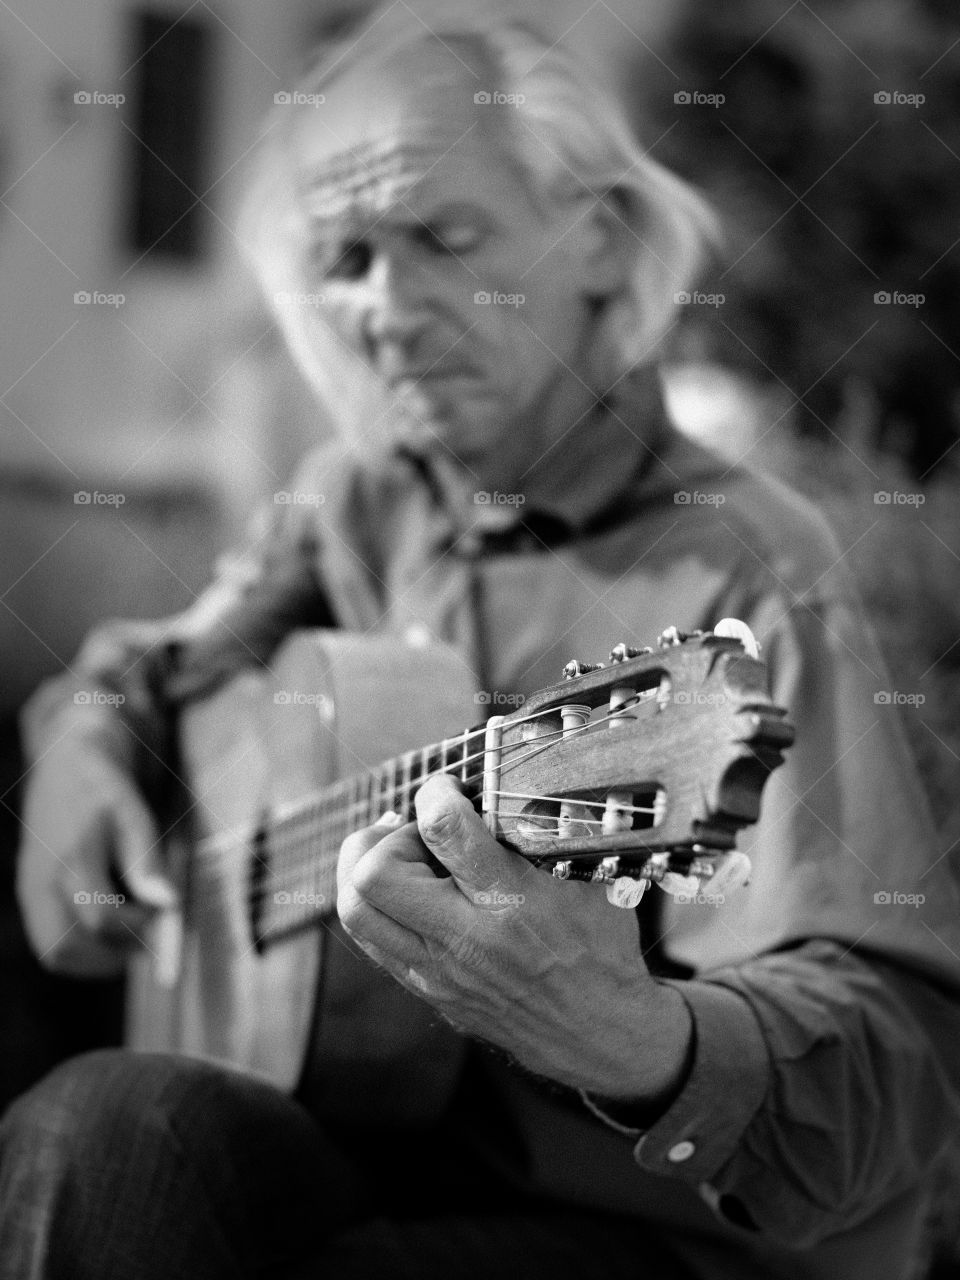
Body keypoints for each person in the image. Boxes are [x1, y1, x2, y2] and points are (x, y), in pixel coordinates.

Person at [4, 7, 960, 1278]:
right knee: (102, 1107)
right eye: (342, 258)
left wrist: (637, 1035)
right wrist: (80, 730)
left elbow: (894, 1064)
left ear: (602, 246)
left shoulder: (747, 564)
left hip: (635, 1228)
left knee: (114, 1136)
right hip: (381, 1144)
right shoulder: (360, 499)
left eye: (445, 240)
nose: (386, 309)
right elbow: (168, 656)